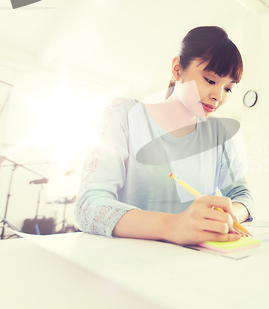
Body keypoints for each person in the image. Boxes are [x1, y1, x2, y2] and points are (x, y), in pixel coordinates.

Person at [75, 26, 253, 245]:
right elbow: (89, 206)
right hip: (130, 266)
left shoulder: (219, 134)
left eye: (228, 89)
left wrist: (225, 218)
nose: (218, 96)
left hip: (198, 264)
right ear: (178, 70)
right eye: (210, 80)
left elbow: (243, 195)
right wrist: (174, 225)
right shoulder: (124, 114)